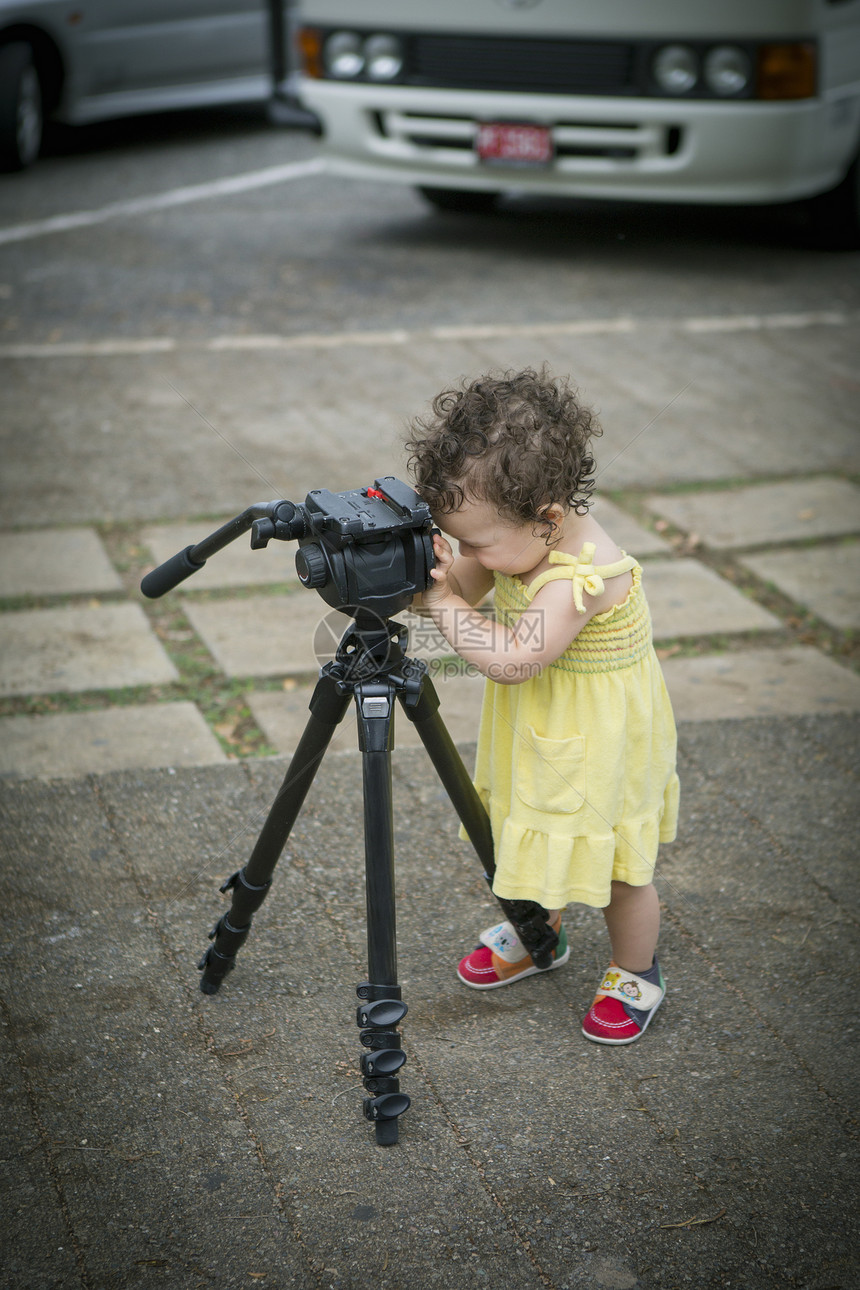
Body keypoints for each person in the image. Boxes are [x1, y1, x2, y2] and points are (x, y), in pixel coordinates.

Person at [406, 367, 679, 1045]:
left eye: (477, 542)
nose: (472, 555)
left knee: (618, 869)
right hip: (544, 728)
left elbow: (513, 658)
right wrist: (421, 572)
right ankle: (540, 932)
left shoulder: (584, 573)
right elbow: (455, 589)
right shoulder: (516, 538)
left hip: (599, 740)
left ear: (548, 518)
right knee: (525, 830)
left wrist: (443, 603)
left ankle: (636, 969)